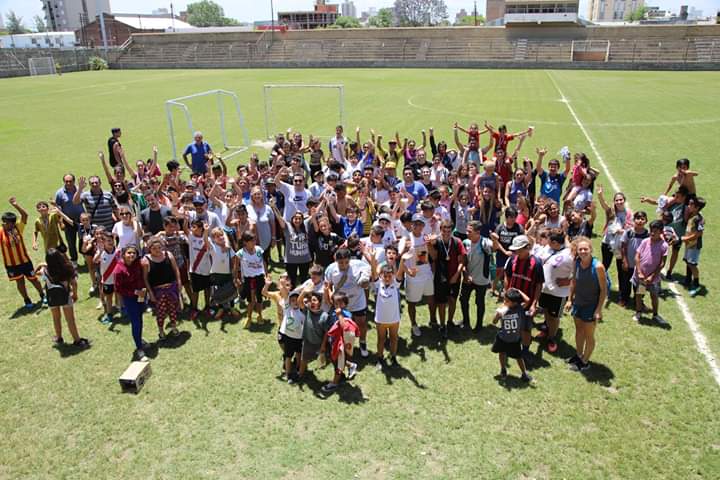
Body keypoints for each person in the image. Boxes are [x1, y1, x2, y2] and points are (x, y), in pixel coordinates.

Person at [565, 236, 607, 372]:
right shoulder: (576, 262)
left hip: (591, 305)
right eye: (580, 249)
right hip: (579, 302)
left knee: (589, 334)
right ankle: (578, 355)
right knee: (579, 330)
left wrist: (598, 310)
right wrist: (570, 299)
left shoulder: (598, 267)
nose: (583, 251)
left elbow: (603, 290)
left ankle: (585, 361)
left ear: (591, 250)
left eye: (585, 249)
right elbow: (573, 282)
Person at [36, 248, 89, 348]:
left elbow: (37, 272)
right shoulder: (67, 268)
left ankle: (59, 337)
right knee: (70, 320)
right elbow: (74, 283)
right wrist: (75, 294)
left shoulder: (45, 271)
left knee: (56, 318)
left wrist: (41, 264)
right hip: (65, 296)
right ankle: (77, 340)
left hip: (52, 297)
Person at [504, 235, 544, 364]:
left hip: (527, 303)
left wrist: (534, 304)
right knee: (511, 324)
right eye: (515, 250)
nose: (517, 252)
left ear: (527, 247)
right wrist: (506, 294)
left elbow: (539, 284)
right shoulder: (512, 260)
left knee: (526, 328)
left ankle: (525, 351)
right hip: (512, 301)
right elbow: (507, 276)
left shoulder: (536, 263)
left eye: (519, 249)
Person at [324, 248, 371, 357]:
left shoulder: (359, 264)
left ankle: (362, 343)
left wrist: (366, 278)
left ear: (350, 260)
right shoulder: (330, 269)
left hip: (358, 300)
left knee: (362, 323)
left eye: (346, 262)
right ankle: (343, 345)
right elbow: (327, 285)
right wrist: (330, 294)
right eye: (341, 263)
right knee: (341, 325)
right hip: (341, 303)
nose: (344, 265)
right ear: (336, 260)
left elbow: (371, 270)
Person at [1, 198, 45, 309]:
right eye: (3, 221)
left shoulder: (18, 228)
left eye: (6, 222)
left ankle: (43, 295)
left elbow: (25, 215)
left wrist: (16, 205)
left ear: (12, 223)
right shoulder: (1, 232)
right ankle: (27, 299)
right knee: (20, 282)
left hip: (24, 261)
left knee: (33, 279)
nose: (4, 223)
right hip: (11, 264)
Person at [537, 228, 574, 353]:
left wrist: (568, 281)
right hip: (544, 290)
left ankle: (551, 338)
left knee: (554, 317)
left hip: (558, 293)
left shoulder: (569, 254)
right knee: (547, 312)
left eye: (548, 240)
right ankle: (547, 330)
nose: (546, 242)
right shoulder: (547, 248)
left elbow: (579, 272)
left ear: (555, 243)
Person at [398, 215, 436, 337]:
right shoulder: (406, 238)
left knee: (431, 299)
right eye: (415, 224)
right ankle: (414, 324)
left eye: (420, 224)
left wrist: (429, 244)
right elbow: (399, 256)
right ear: (411, 225)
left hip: (426, 273)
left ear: (424, 226)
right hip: (413, 276)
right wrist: (405, 249)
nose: (418, 227)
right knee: (412, 302)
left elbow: (434, 257)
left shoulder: (426, 238)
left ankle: (433, 320)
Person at [429, 219, 466, 337]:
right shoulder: (436, 242)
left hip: (454, 276)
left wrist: (456, 275)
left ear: (452, 231)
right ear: (440, 230)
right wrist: (429, 244)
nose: (446, 233)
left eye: (448, 231)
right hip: (440, 277)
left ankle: (450, 321)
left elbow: (462, 261)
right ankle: (442, 325)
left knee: (452, 300)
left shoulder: (457, 242)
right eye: (444, 231)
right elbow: (434, 257)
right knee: (441, 302)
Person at [142, 236, 183, 340]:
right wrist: (150, 293)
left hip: (171, 288)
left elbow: (176, 270)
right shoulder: (146, 260)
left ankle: (174, 328)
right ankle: (161, 331)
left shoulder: (168, 255)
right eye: (154, 248)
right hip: (158, 291)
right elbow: (145, 278)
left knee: (173, 309)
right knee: (161, 312)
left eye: (159, 247)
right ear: (150, 249)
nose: (157, 250)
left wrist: (179, 282)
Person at [114, 245, 149, 361]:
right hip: (130, 299)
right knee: (136, 322)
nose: (131, 255)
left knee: (140, 319)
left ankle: (139, 339)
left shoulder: (137, 263)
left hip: (140, 296)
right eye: (129, 253)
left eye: (134, 253)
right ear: (123, 254)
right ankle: (139, 348)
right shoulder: (119, 270)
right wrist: (135, 291)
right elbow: (119, 289)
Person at [632, 219, 668, 326]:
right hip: (641, 277)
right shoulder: (645, 241)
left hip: (653, 279)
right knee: (639, 294)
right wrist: (639, 272)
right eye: (651, 230)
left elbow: (662, 263)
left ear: (661, 232)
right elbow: (637, 257)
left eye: (655, 231)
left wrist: (652, 276)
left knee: (654, 296)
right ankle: (638, 312)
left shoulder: (664, 246)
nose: (652, 233)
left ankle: (655, 314)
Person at [320, 298, 360, 394]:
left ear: (345, 304)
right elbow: (329, 328)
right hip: (332, 341)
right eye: (336, 303)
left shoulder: (347, 314)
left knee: (339, 362)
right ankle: (350, 365)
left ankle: (334, 383)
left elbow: (345, 327)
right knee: (333, 359)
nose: (337, 305)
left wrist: (339, 315)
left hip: (341, 343)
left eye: (340, 303)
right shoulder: (332, 312)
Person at [460, 220, 494, 331]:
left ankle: (479, 325)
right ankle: (466, 322)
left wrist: (495, 239)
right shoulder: (465, 243)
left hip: (482, 279)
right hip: (467, 279)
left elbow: (496, 248)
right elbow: (463, 261)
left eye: (469, 231)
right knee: (463, 299)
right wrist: (465, 274)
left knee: (479, 302)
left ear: (478, 232)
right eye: (467, 230)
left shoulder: (485, 243)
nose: (467, 233)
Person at [492, 288, 532, 382]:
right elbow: (494, 322)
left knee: (518, 357)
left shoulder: (519, 309)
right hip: (502, 337)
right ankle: (503, 369)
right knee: (501, 353)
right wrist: (498, 315)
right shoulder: (503, 309)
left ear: (515, 302)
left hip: (515, 340)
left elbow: (528, 300)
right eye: (504, 300)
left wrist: (518, 290)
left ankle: (524, 373)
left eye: (507, 301)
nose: (504, 302)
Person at [370, 262, 402, 369]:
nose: (387, 278)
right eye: (385, 276)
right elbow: (373, 271)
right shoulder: (378, 284)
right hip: (381, 320)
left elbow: (400, 271)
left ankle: (393, 357)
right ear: (381, 276)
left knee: (394, 339)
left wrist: (402, 260)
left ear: (393, 275)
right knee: (381, 339)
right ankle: (380, 358)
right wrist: (373, 259)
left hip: (394, 319)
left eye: (390, 276)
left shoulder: (396, 284)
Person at [297, 289, 332, 381]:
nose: (312, 302)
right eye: (310, 300)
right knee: (303, 359)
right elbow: (299, 302)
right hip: (308, 341)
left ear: (319, 303)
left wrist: (323, 346)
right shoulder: (307, 311)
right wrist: (304, 292)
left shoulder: (324, 316)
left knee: (330, 358)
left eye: (314, 300)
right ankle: (300, 374)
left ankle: (343, 370)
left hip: (319, 343)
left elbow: (326, 333)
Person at [235, 231, 266, 328]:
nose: (254, 242)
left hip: (260, 277)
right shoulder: (240, 253)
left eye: (255, 240)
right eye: (252, 241)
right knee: (251, 300)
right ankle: (249, 317)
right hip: (249, 279)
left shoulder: (259, 250)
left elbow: (264, 262)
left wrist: (267, 274)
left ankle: (260, 316)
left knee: (260, 299)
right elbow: (236, 267)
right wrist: (236, 278)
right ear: (245, 242)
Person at [54, 174, 86, 266]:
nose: (68, 183)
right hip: (68, 221)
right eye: (66, 181)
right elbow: (58, 209)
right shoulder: (60, 193)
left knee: (83, 240)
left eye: (70, 181)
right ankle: (74, 260)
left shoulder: (80, 190)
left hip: (81, 221)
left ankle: (84, 255)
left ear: (74, 181)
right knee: (71, 242)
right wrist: (60, 222)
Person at [619, 211, 649, 308]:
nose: (640, 221)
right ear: (634, 220)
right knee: (626, 282)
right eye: (638, 218)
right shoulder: (629, 232)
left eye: (642, 219)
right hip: (629, 263)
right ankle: (624, 299)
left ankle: (640, 300)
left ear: (646, 221)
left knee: (641, 285)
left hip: (642, 266)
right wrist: (624, 260)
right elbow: (623, 246)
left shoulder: (647, 234)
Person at [188, 220, 212, 320]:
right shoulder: (190, 237)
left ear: (201, 228)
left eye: (194, 227)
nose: (192, 229)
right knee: (195, 290)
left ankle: (207, 307)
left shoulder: (208, 239)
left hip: (206, 269)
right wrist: (185, 218)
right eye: (192, 226)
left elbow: (210, 250)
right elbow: (185, 228)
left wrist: (206, 233)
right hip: (194, 270)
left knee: (207, 289)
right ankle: (194, 309)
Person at [247, 186, 276, 268]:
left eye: (259, 194)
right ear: (252, 196)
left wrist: (273, 238)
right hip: (253, 240)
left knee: (265, 259)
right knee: (254, 261)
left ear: (262, 195)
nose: (257, 196)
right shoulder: (248, 208)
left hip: (266, 239)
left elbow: (272, 224)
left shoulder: (268, 208)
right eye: (255, 194)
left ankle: (265, 277)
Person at [682, 196, 705, 296]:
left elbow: (699, 234)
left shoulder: (699, 219)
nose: (688, 205)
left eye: (691, 204)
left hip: (694, 245)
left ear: (697, 207)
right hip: (689, 244)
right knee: (687, 261)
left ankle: (696, 284)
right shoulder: (692, 215)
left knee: (692, 264)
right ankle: (687, 280)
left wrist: (684, 239)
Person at [95, 232, 119, 325]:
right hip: (107, 280)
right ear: (103, 242)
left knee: (119, 294)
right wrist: (100, 252)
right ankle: (109, 314)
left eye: (112, 240)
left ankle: (120, 307)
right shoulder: (101, 252)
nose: (111, 242)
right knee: (109, 298)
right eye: (108, 240)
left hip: (117, 279)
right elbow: (95, 260)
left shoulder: (118, 252)